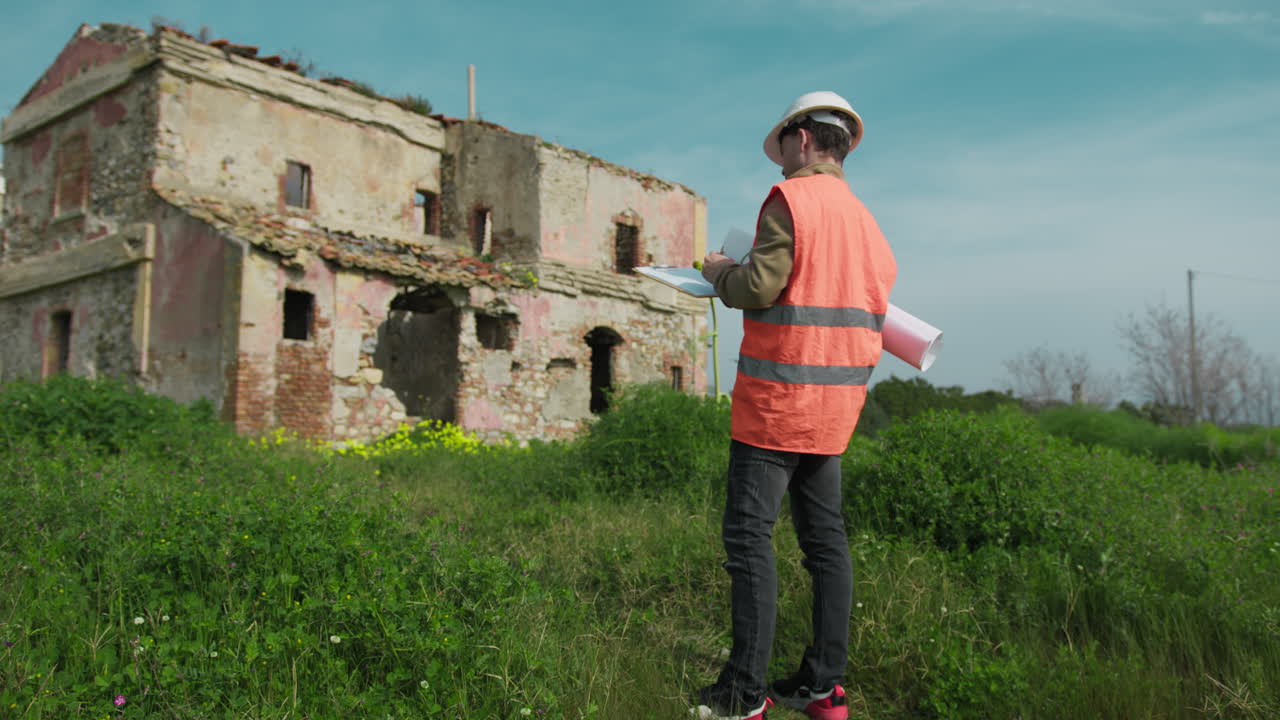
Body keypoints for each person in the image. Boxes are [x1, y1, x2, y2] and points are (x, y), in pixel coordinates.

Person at [693, 91, 897, 720]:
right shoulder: (865, 221)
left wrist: (719, 271)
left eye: (783, 143)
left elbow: (760, 286)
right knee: (826, 546)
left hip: (777, 406)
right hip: (834, 413)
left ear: (802, 139)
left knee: (750, 542)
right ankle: (822, 687)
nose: (779, 158)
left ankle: (743, 695)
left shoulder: (791, 200)